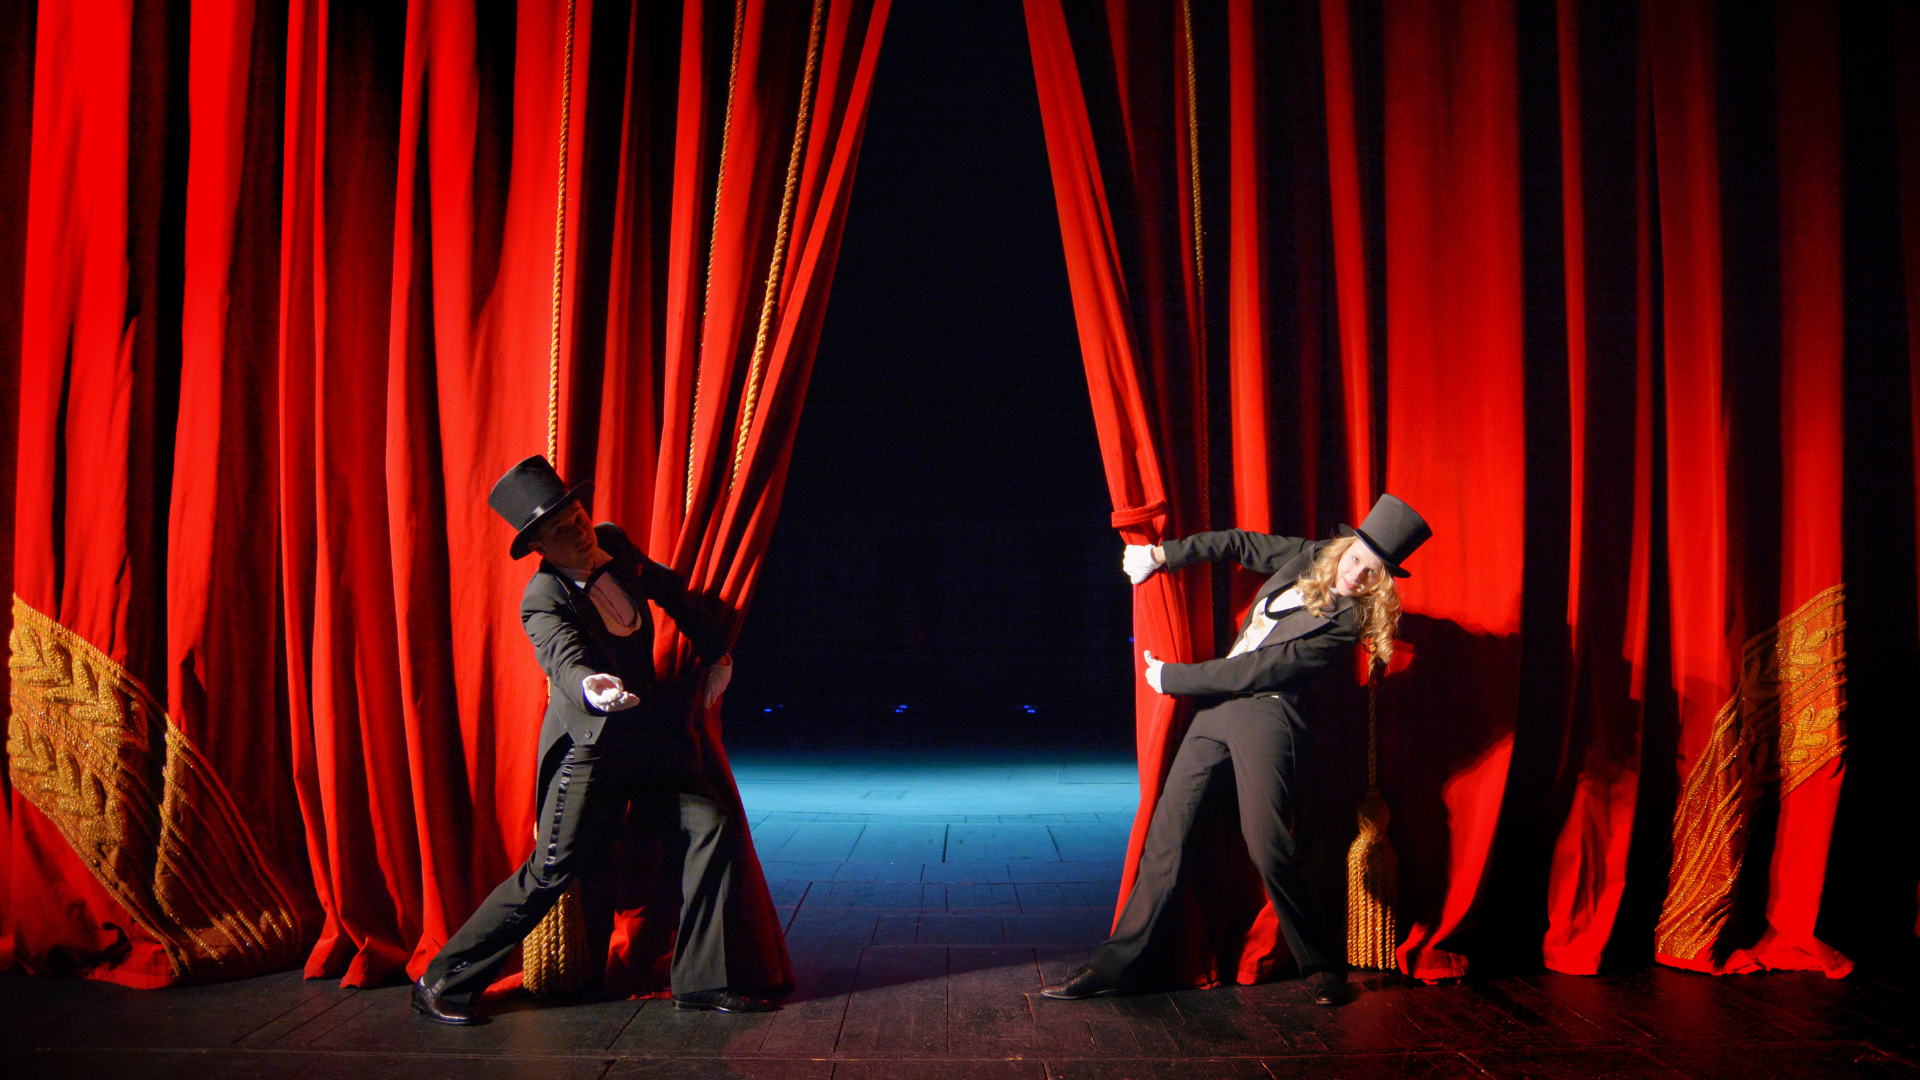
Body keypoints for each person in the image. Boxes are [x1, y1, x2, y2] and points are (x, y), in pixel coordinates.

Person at [411, 455, 774, 1024]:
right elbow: (562, 656)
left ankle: (702, 981)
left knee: (711, 825)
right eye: (561, 530)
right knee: (551, 871)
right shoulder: (543, 598)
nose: (578, 532)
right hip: (593, 750)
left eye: (577, 517)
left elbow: (669, 589)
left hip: (648, 740)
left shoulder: (613, 545)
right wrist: (592, 686)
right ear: (540, 547)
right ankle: (440, 980)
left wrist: (714, 648)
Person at [1042, 494, 1430, 1007]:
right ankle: (1110, 965)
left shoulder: (1344, 626)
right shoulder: (1313, 556)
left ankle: (1318, 964)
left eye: (1371, 573)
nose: (1355, 575)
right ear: (1345, 547)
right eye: (1356, 558)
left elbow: (1257, 670)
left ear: (1380, 584)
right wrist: (1164, 556)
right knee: (1168, 833)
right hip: (1219, 708)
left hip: (1269, 716)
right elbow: (1239, 544)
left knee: (1268, 845)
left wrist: (1172, 679)